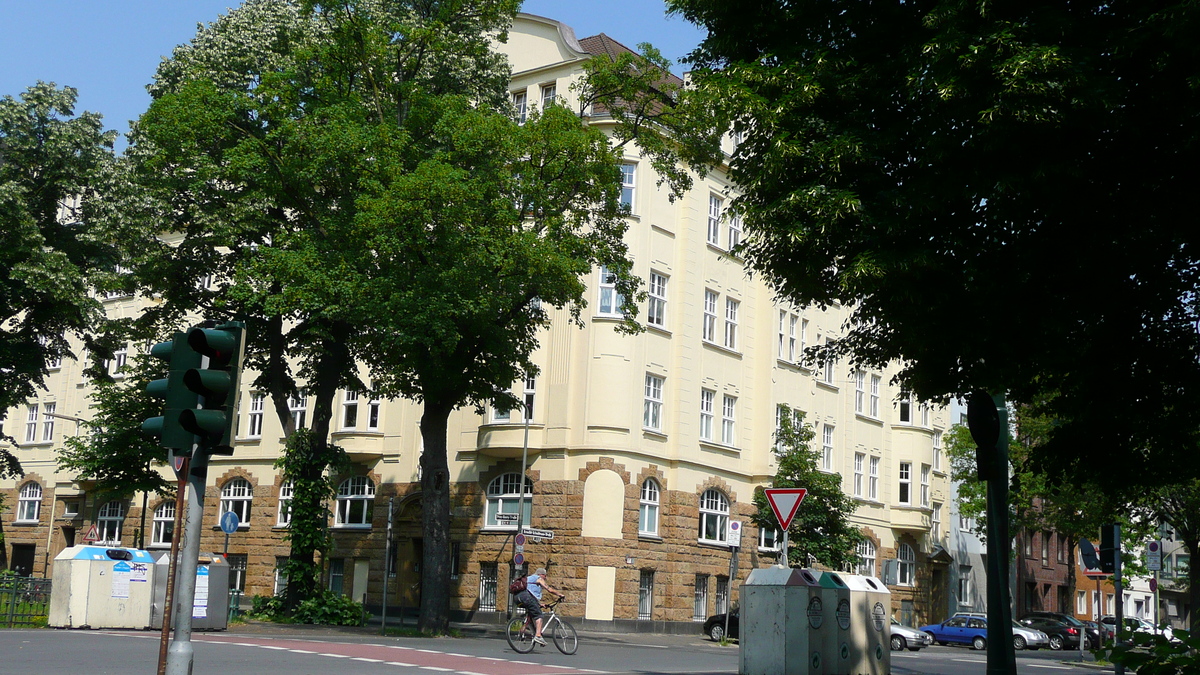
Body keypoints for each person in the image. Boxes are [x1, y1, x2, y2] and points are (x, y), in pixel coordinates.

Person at [515, 567, 563, 645]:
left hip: (518, 598)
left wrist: (539, 604)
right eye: (545, 575)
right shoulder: (538, 578)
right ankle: (538, 636)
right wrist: (560, 594)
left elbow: (531, 592)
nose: (545, 577)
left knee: (530, 617)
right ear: (541, 574)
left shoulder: (528, 579)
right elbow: (549, 589)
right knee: (539, 616)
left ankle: (522, 632)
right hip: (527, 598)